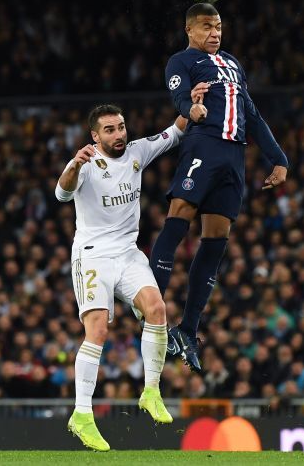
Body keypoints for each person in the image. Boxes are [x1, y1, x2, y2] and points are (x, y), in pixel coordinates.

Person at [150, 2, 289, 372]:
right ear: (190, 30)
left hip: (234, 157)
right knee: (179, 213)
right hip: (203, 146)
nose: (215, 33)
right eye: (207, 27)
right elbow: (178, 94)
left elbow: (252, 114)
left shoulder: (232, 63)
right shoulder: (181, 61)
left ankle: (188, 331)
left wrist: (278, 158)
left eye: (219, 26)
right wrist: (189, 109)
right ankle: (150, 306)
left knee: (217, 236)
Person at [55, 104, 187, 451]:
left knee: (157, 308)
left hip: (128, 253)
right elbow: (62, 193)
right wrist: (73, 164)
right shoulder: (84, 165)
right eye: (110, 130)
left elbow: (175, 131)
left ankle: (151, 391)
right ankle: (82, 414)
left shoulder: (138, 151)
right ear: (95, 136)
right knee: (98, 329)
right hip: (93, 255)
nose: (119, 134)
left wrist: (195, 103)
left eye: (121, 127)